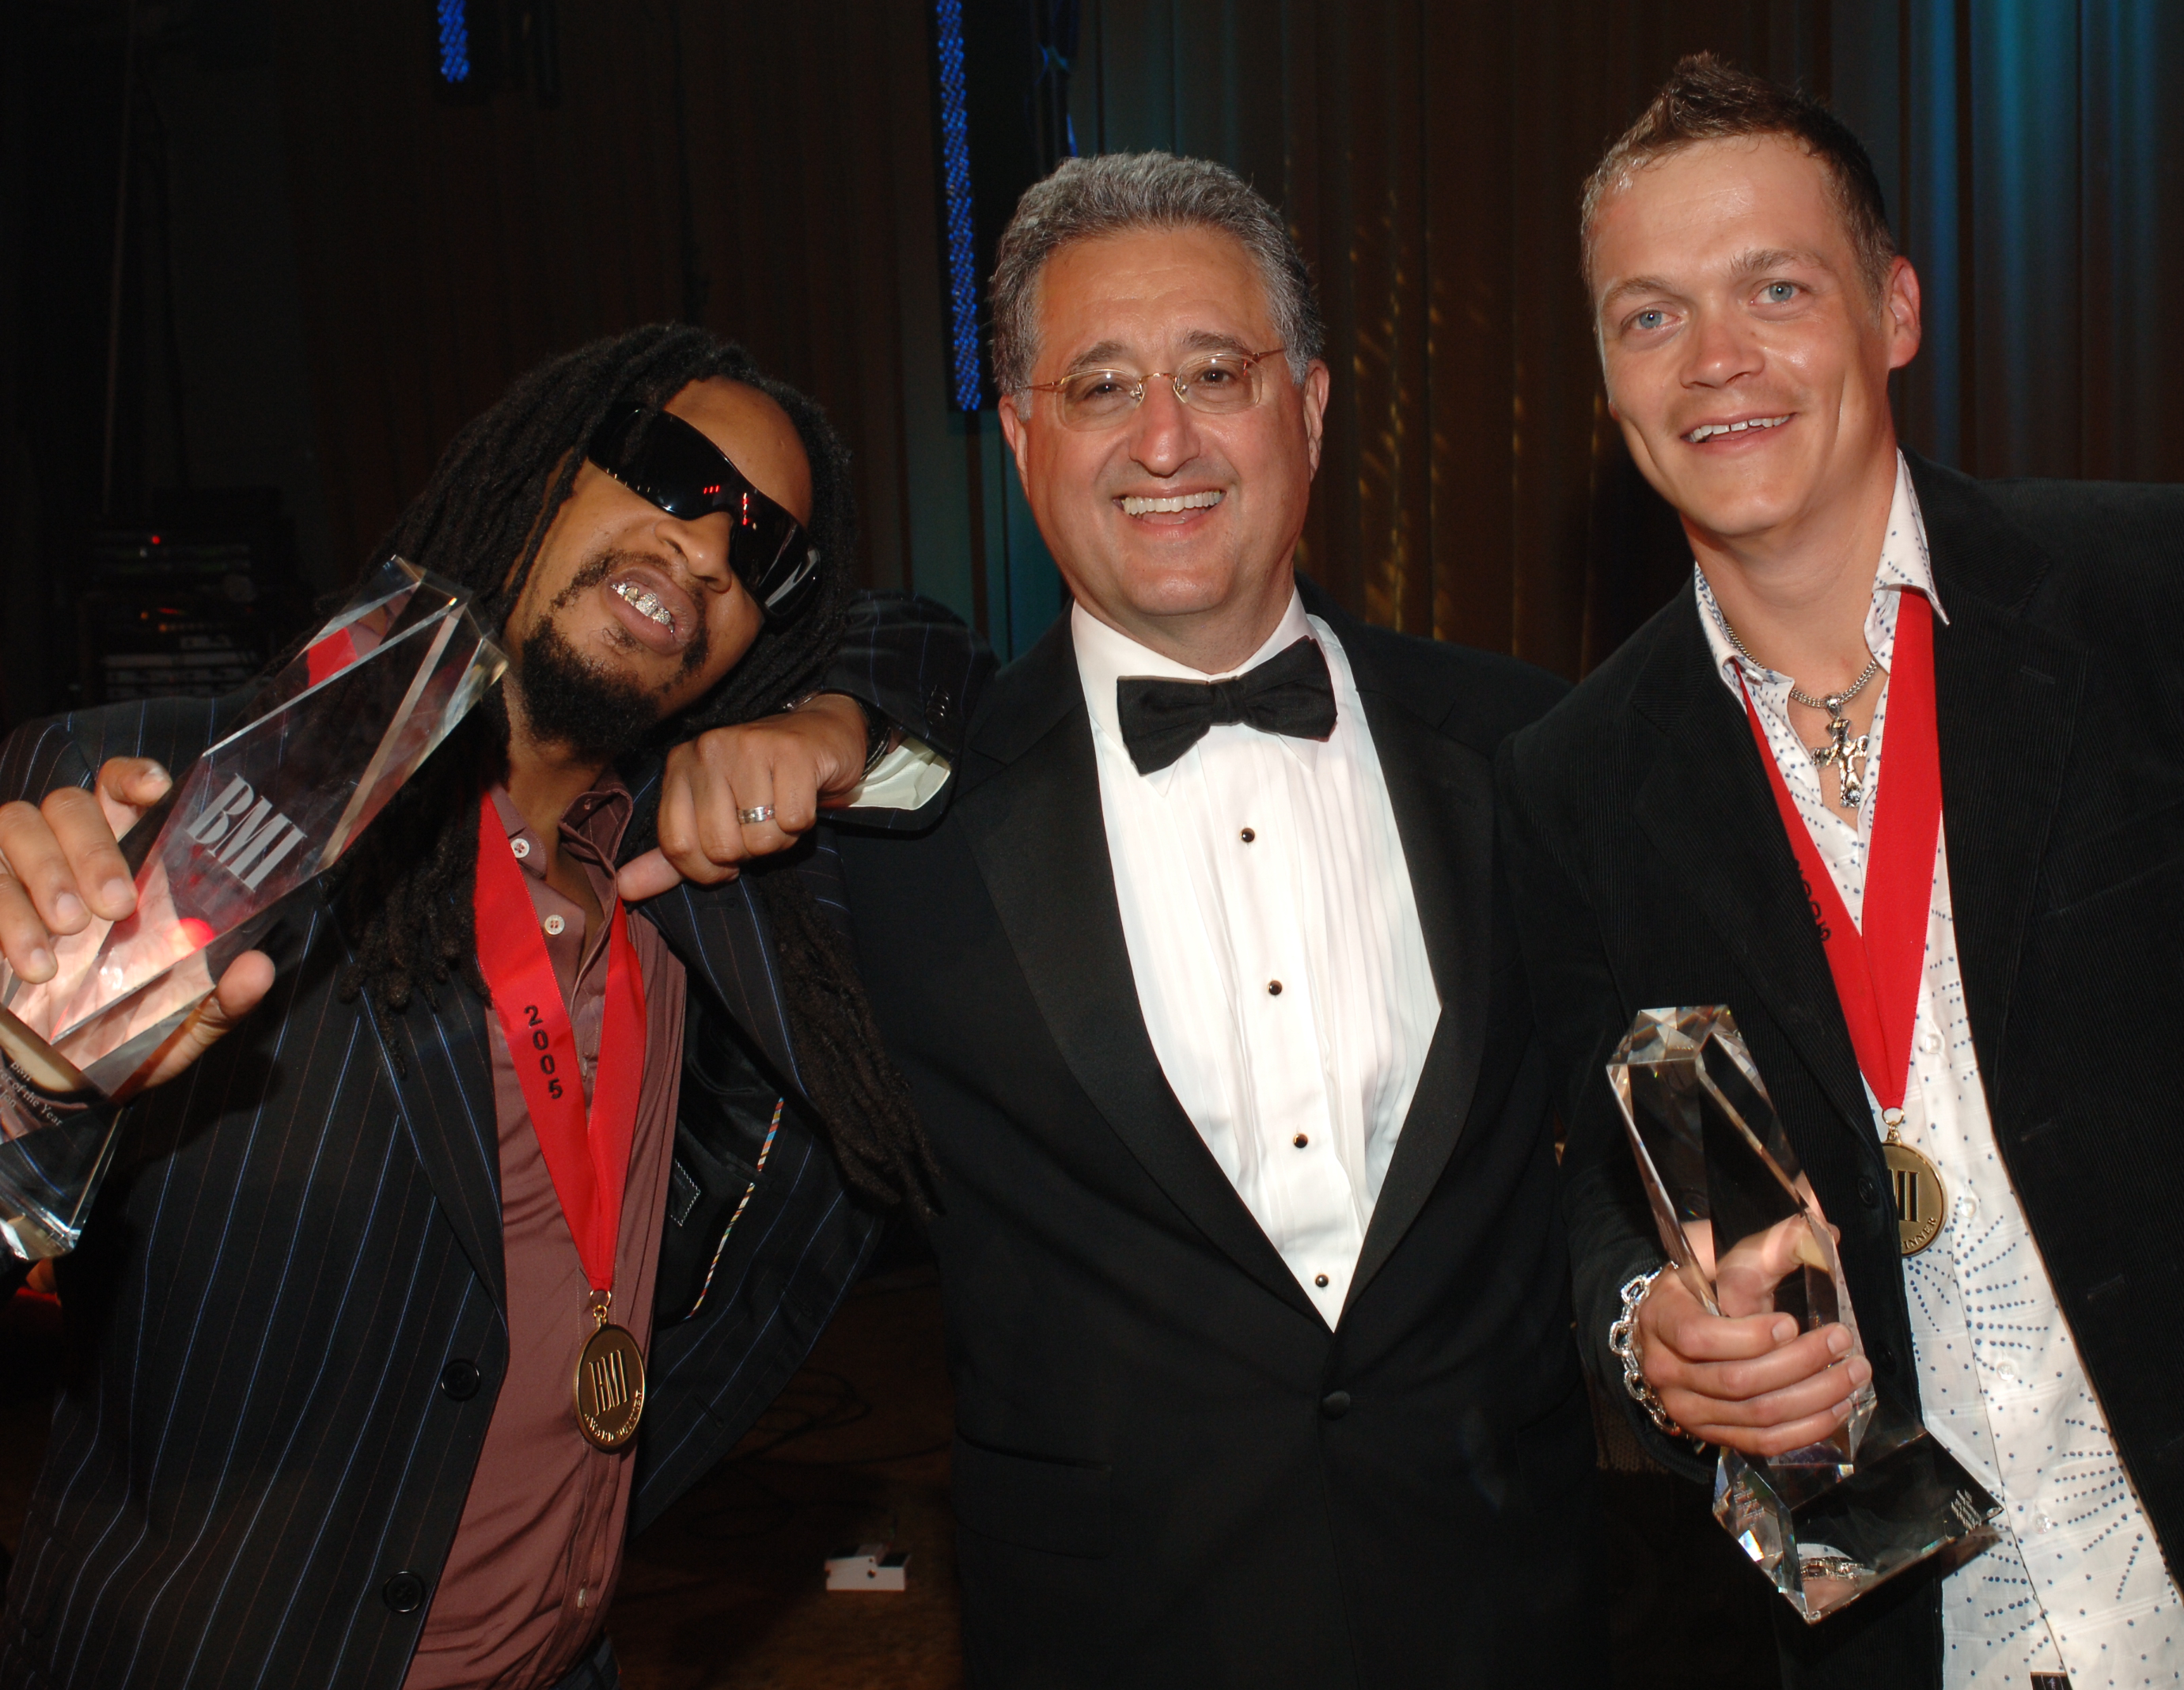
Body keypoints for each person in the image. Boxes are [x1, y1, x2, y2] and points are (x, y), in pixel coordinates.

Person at [1500, 53, 2184, 1690]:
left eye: (1777, 288)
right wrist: (1650, 1332)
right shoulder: (1571, 781)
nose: (1715, 358)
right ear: (1608, 376)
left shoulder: (2181, 597)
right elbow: (1599, 1187)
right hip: (1888, 1630)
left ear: (1895, 310)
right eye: (1650, 315)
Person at [0, 324, 990, 1690]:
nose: (710, 550)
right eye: (677, 475)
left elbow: (948, 656)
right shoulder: (181, 795)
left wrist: (834, 723)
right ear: (539, 467)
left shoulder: (692, 876)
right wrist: (27, 1082)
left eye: (764, 554)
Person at [821, 152, 1603, 1686]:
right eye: (1102, 385)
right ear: (1022, 436)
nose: (1164, 438)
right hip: (1115, 1636)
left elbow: (1645, 1135)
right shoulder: (898, 828)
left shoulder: (1530, 751)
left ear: (1308, 408)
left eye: (1215, 374)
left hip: (1503, 1613)